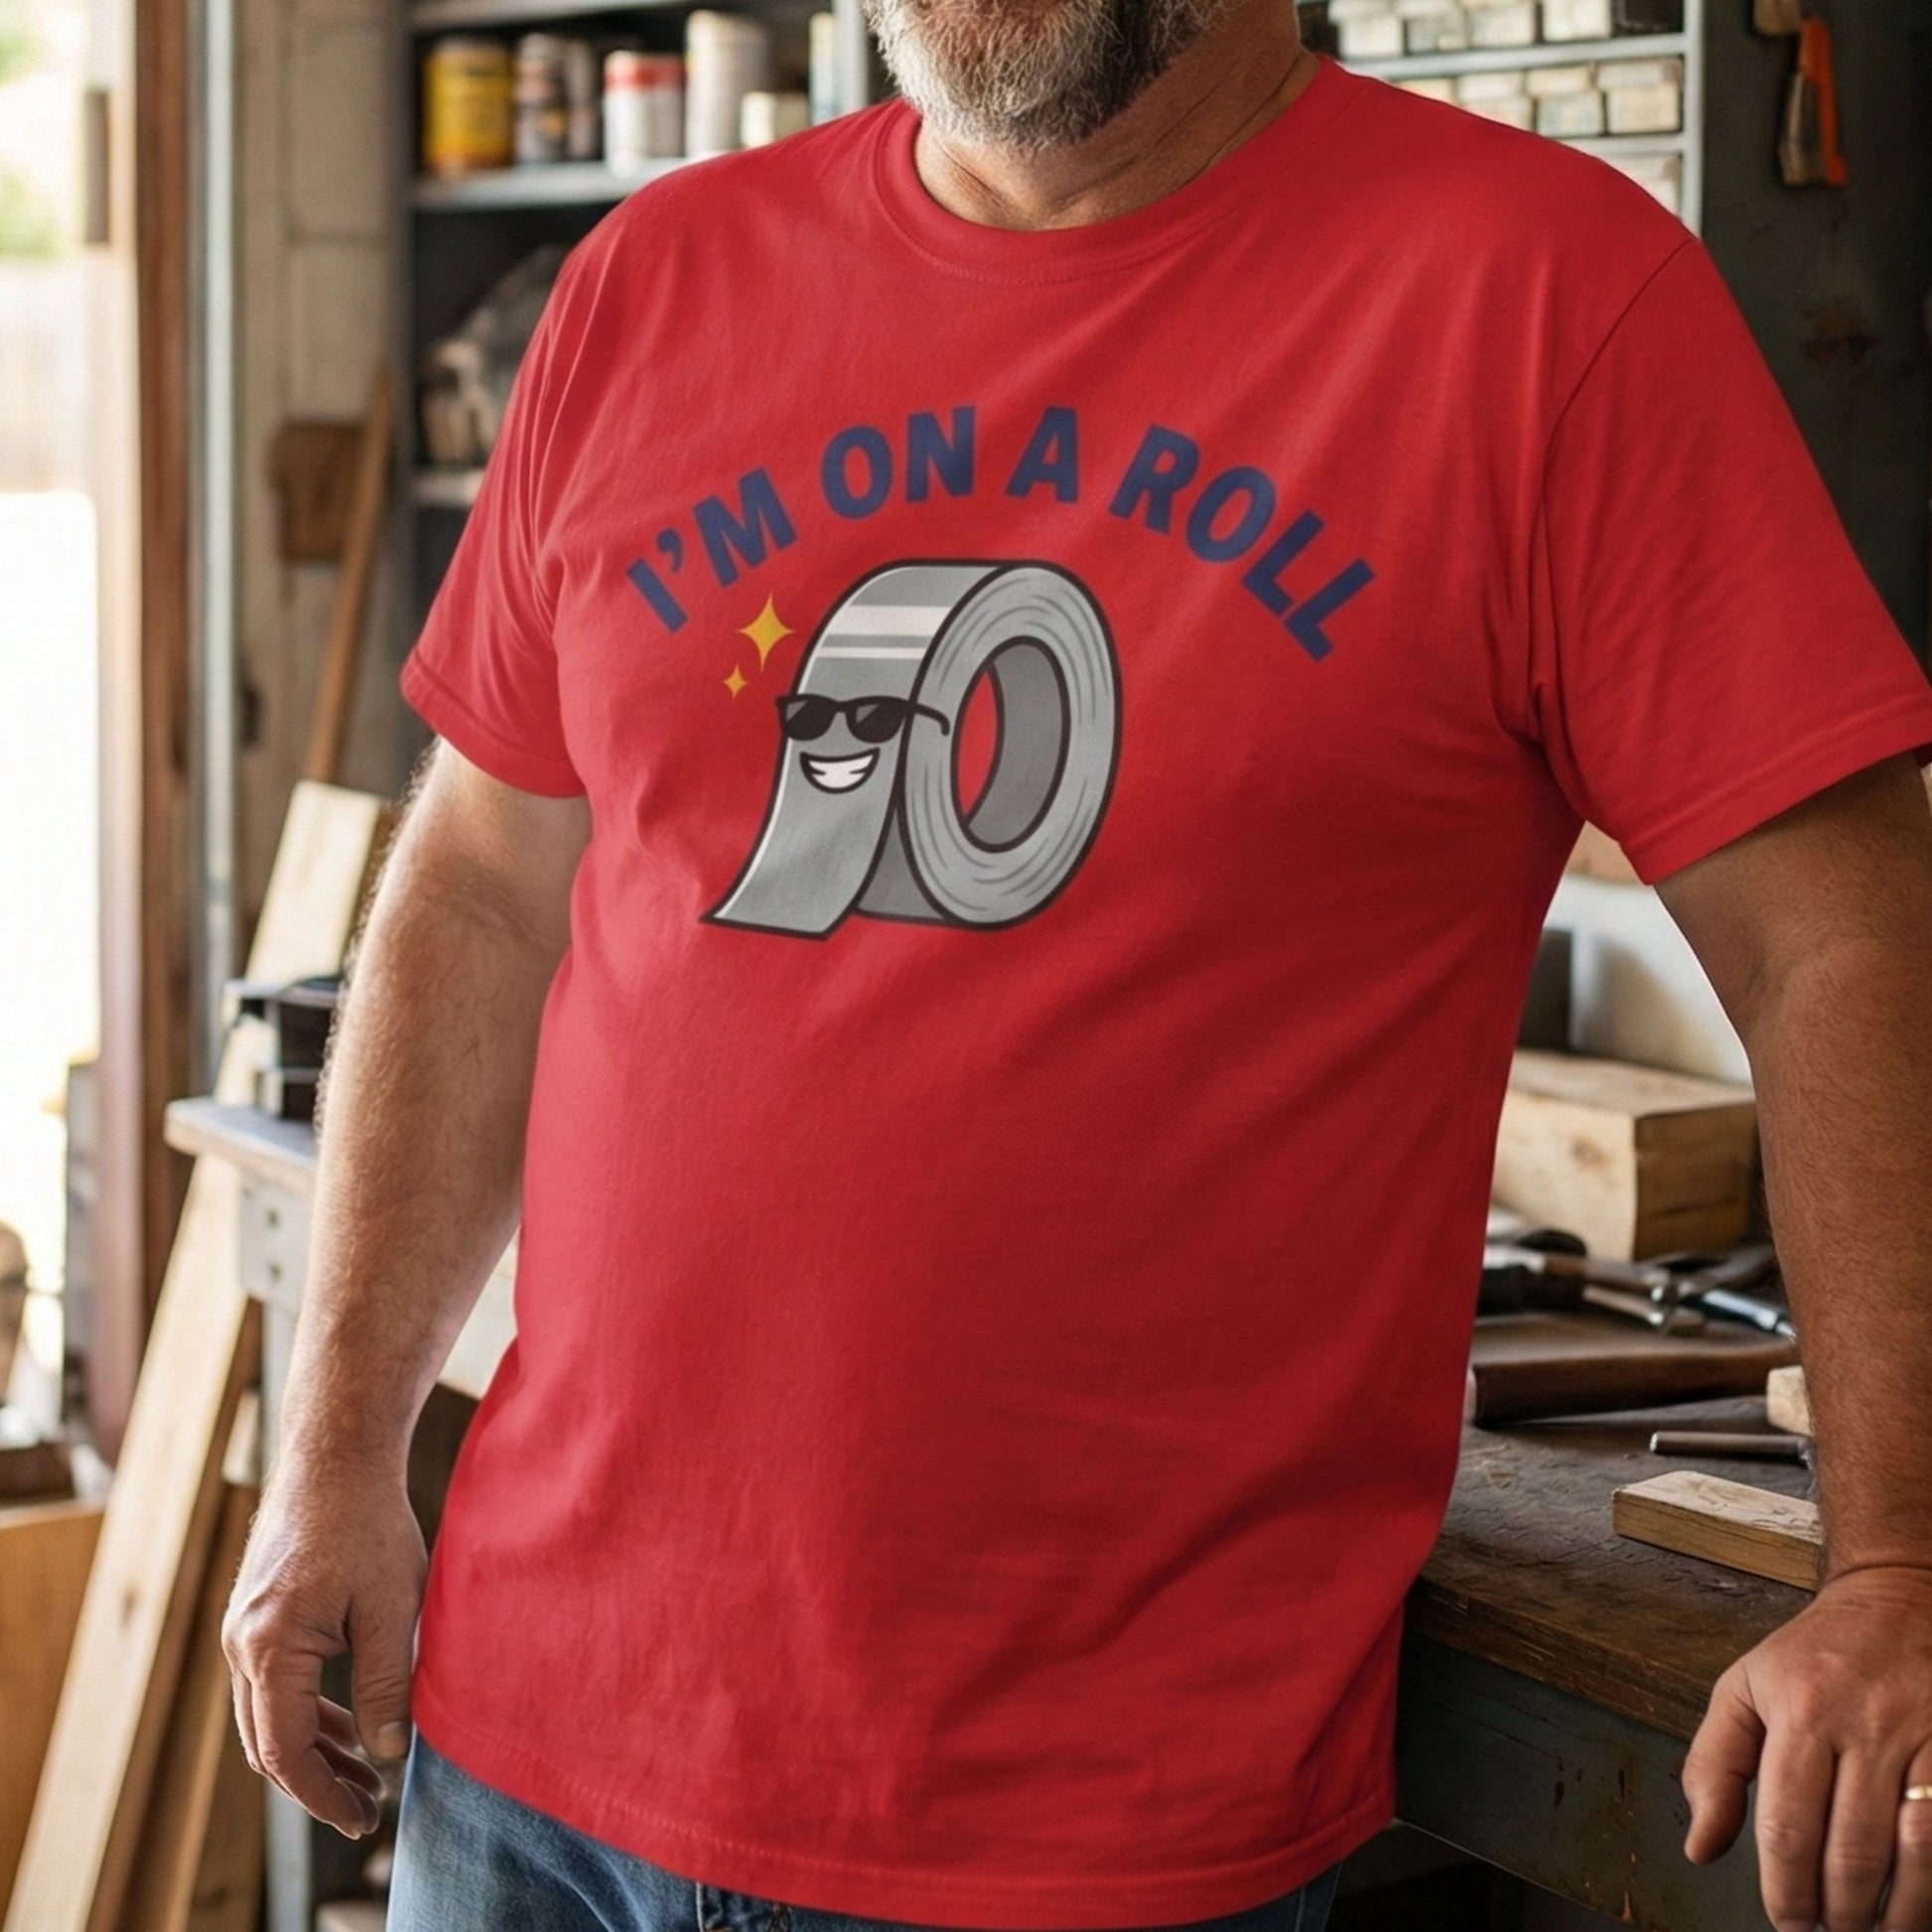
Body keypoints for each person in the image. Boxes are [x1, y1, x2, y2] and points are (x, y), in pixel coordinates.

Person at [221, 2, 1932, 1928]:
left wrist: (1895, 1565)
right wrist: (337, 1456)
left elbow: (1840, 934)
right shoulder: (646, 283)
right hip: (530, 1753)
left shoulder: (1545, 296)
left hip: (1093, 1833)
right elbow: (474, 888)